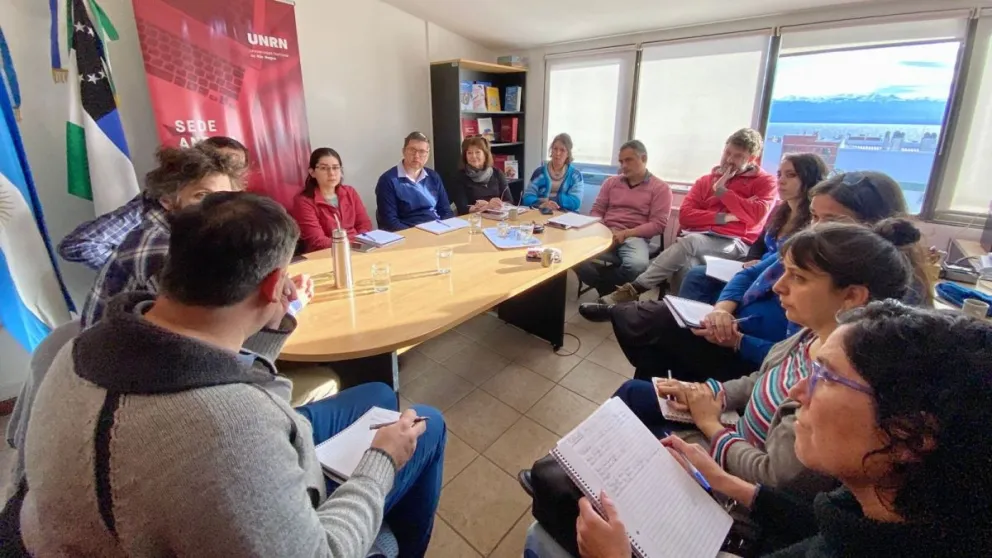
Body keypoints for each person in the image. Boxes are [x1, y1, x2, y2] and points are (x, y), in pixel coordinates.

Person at [19, 192, 447, 557]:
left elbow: (215, 371)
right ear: (273, 283)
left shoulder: (72, 351)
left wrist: (269, 324)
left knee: (377, 394)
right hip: (254, 487)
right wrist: (381, 461)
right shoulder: (232, 429)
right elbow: (319, 549)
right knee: (427, 423)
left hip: (153, 498)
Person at [522, 219, 923, 556]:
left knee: (563, 496)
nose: (779, 286)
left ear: (852, 297)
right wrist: (708, 393)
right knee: (635, 392)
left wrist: (712, 426)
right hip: (730, 434)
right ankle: (570, 471)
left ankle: (567, 486)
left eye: (798, 278)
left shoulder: (838, 384)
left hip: (732, 454)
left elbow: (772, 477)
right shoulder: (806, 336)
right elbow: (758, 381)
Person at [552, 301, 992, 557]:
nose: (798, 391)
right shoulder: (875, 504)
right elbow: (818, 521)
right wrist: (731, 484)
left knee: (558, 501)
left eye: (827, 377)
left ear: (911, 436)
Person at [579, 170, 928, 382]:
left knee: (654, 320)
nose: (816, 227)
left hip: (750, 349)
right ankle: (654, 395)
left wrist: (737, 341)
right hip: (733, 322)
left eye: (830, 220)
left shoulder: (870, 295)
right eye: (815, 217)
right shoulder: (806, 244)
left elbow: (797, 360)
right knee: (667, 320)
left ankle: (633, 302)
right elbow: (691, 218)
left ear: (874, 224)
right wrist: (722, 309)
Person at [598, 128, 777, 305]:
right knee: (687, 265)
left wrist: (722, 192)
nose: (729, 160)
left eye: (738, 156)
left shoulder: (766, 182)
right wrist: (727, 217)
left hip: (735, 243)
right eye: (727, 152)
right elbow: (685, 216)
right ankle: (676, 312)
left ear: (752, 159)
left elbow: (755, 216)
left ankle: (635, 289)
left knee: (689, 242)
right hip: (698, 239)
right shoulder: (705, 181)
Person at [79, 144, 246, 327]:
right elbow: (203, 325)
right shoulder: (159, 248)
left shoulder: (195, 233)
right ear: (167, 201)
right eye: (201, 195)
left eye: (225, 196)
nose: (219, 206)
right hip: (116, 344)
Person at [57, 136, 249, 270]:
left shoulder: (231, 214)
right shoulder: (153, 238)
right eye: (202, 195)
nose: (218, 203)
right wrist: (128, 270)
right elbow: (80, 244)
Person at [678, 153, 826, 304]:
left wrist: (757, 266)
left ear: (809, 179)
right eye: (779, 174)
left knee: (704, 281)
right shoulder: (779, 211)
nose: (781, 181)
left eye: (791, 175)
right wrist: (751, 260)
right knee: (695, 274)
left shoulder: (815, 219)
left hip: (774, 278)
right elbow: (759, 243)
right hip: (754, 268)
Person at [572, 140, 672, 294]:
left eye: (628, 160)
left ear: (644, 159)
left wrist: (626, 233)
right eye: (621, 161)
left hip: (634, 236)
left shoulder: (661, 188)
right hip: (606, 231)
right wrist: (604, 229)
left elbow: (658, 225)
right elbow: (597, 210)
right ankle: (607, 288)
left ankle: (603, 286)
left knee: (637, 266)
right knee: (571, 254)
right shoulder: (610, 183)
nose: (623, 165)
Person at [292, 147, 373, 252]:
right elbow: (317, 241)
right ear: (312, 172)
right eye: (324, 168)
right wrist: (351, 244)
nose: (331, 173)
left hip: (358, 249)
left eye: (335, 168)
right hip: (326, 254)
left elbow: (365, 225)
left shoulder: (350, 192)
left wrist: (359, 243)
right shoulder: (303, 201)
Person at [375, 131, 453, 231]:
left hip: (437, 231)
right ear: (403, 151)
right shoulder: (388, 180)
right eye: (412, 150)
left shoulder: (433, 176)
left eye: (422, 151)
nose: (416, 155)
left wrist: (447, 230)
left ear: (428, 154)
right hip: (408, 233)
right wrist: (417, 236)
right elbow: (390, 222)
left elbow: (446, 211)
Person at [521, 133, 585, 212]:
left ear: (568, 154)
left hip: (566, 214)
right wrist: (542, 204)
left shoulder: (575, 175)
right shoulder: (539, 173)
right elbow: (527, 197)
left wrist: (552, 201)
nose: (558, 153)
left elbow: (576, 202)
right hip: (542, 213)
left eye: (562, 150)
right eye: (555, 149)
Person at [449, 135, 510, 215]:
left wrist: (497, 205)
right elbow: (462, 208)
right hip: (472, 219)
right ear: (465, 156)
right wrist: (488, 206)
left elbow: (509, 201)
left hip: (498, 216)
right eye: (469, 153)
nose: (473, 156)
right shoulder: (459, 177)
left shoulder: (497, 173)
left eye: (477, 152)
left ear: (485, 154)